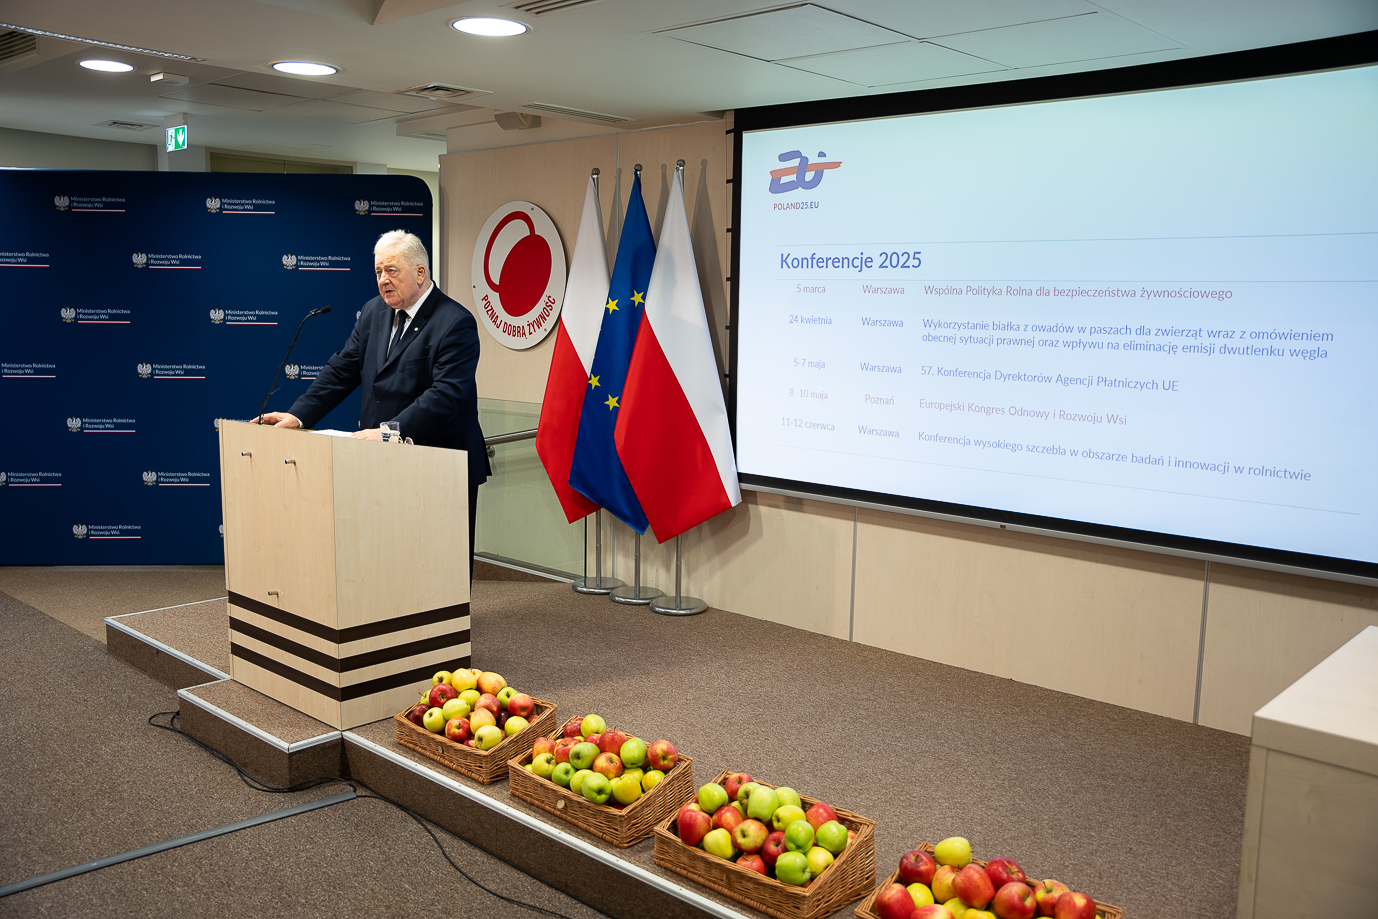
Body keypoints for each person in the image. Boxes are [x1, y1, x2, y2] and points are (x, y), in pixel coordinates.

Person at [255, 229, 488, 564]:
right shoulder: (373, 312)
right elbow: (343, 370)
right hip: (379, 460)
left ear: (420, 272)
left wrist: (388, 430)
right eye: (378, 271)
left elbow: (446, 395)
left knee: (437, 560)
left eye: (391, 270)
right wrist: (299, 414)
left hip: (438, 461)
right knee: (386, 554)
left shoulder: (454, 322)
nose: (383, 280)